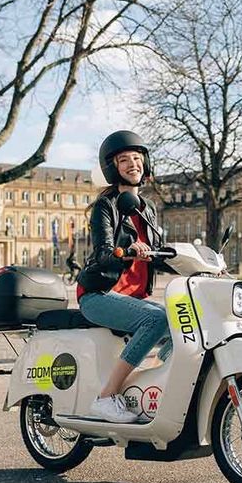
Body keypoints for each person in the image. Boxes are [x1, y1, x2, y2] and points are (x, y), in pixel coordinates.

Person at [76, 130, 171, 423]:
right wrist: (127, 250)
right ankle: (106, 397)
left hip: (133, 297)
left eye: (137, 158)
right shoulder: (106, 206)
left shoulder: (147, 208)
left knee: (186, 323)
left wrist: (205, 263)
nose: (133, 164)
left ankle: (149, 391)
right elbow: (104, 253)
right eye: (124, 160)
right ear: (112, 168)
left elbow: (156, 253)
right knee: (156, 319)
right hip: (99, 295)